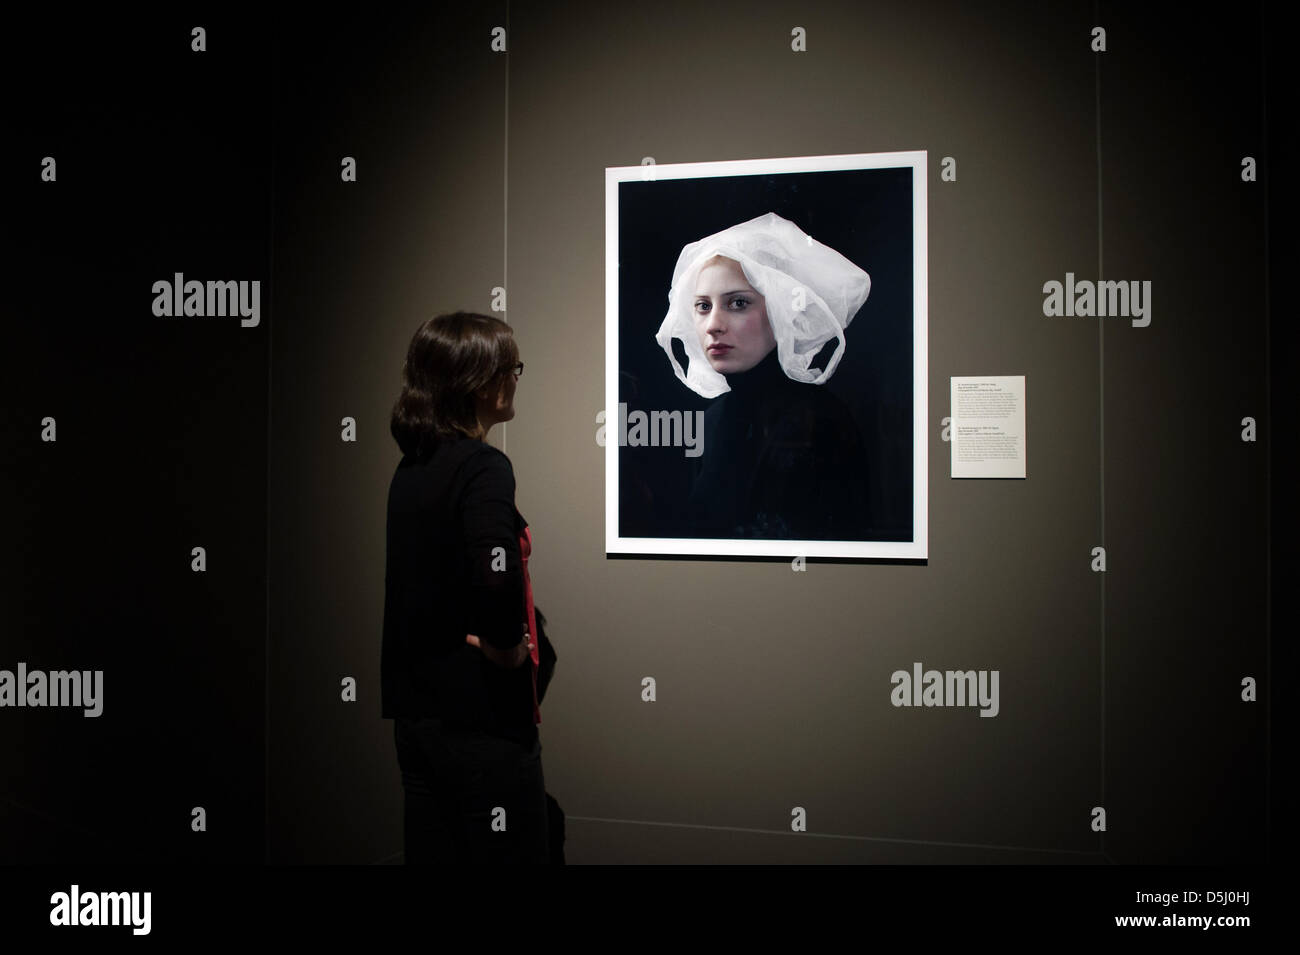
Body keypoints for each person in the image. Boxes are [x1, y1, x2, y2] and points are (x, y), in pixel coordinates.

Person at [382, 311, 560, 864]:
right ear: (482, 381)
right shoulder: (484, 466)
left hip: (418, 719)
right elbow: (495, 568)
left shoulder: (412, 467)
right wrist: (506, 645)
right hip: (481, 720)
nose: (515, 379)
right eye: (512, 368)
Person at [654, 213, 875, 540]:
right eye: (703, 306)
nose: (713, 324)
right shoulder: (714, 420)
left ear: (780, 313)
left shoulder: (823, 422)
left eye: (738, 303)